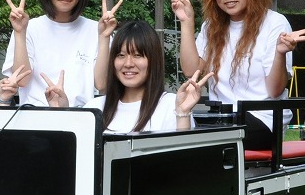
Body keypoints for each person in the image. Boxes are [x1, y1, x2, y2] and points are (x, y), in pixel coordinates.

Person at [169, 0, 305, 150]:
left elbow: (275, 91)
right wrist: (186, 22)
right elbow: (191, 71)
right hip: (222, 119)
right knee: (173, 129)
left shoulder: (275, 23)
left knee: (204, 141)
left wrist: (281, 53)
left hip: (263, 120)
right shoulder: (211, 27)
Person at [45, 20, 209, 134]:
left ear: (153, 61)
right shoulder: (96, 108)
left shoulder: (170, 105)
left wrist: (182, 114)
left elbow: (182, 163)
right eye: (121, 55)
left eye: (138, 55)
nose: (128, 63)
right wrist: (61, 112)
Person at [1, 0, 121, 107]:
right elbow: (22, 81)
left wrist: (104, 37)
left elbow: (102, 85)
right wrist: (19, 32)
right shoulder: (28, 28)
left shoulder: (98, 29)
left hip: (80, 120)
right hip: (33, 119)